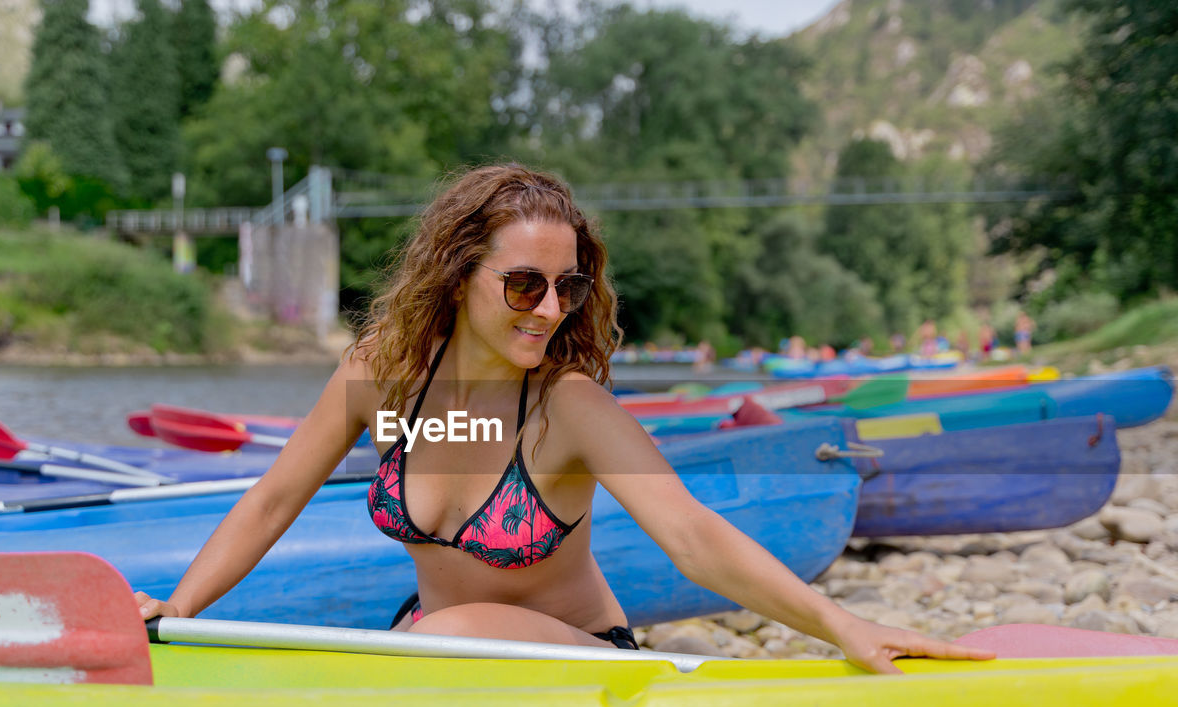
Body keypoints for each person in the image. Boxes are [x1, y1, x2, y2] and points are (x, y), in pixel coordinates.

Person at [134, 163, 993, 674]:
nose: (547, 308)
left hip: (573, 662)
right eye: (522, 284)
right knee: (426, 638)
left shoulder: (568, 408)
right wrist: (175, 614)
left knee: (441, 634)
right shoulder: (381, 379)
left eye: (567, 287)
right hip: (438, 648)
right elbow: (272, 500)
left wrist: (845, 625)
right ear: (457, 274)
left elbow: (693, 537)